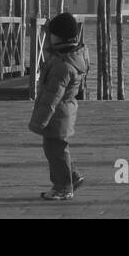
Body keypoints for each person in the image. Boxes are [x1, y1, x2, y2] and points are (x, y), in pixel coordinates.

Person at [29, 13, 89, 200]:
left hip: (57, 114)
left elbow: (51, 98)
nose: (49, 38)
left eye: (52, 34)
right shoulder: (71, 57)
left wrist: (39, 121)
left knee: (55, 152)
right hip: (65, 110)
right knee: (58, 149)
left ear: (60, 37)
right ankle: (72, 177)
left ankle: (63, 187)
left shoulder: (62, 66)